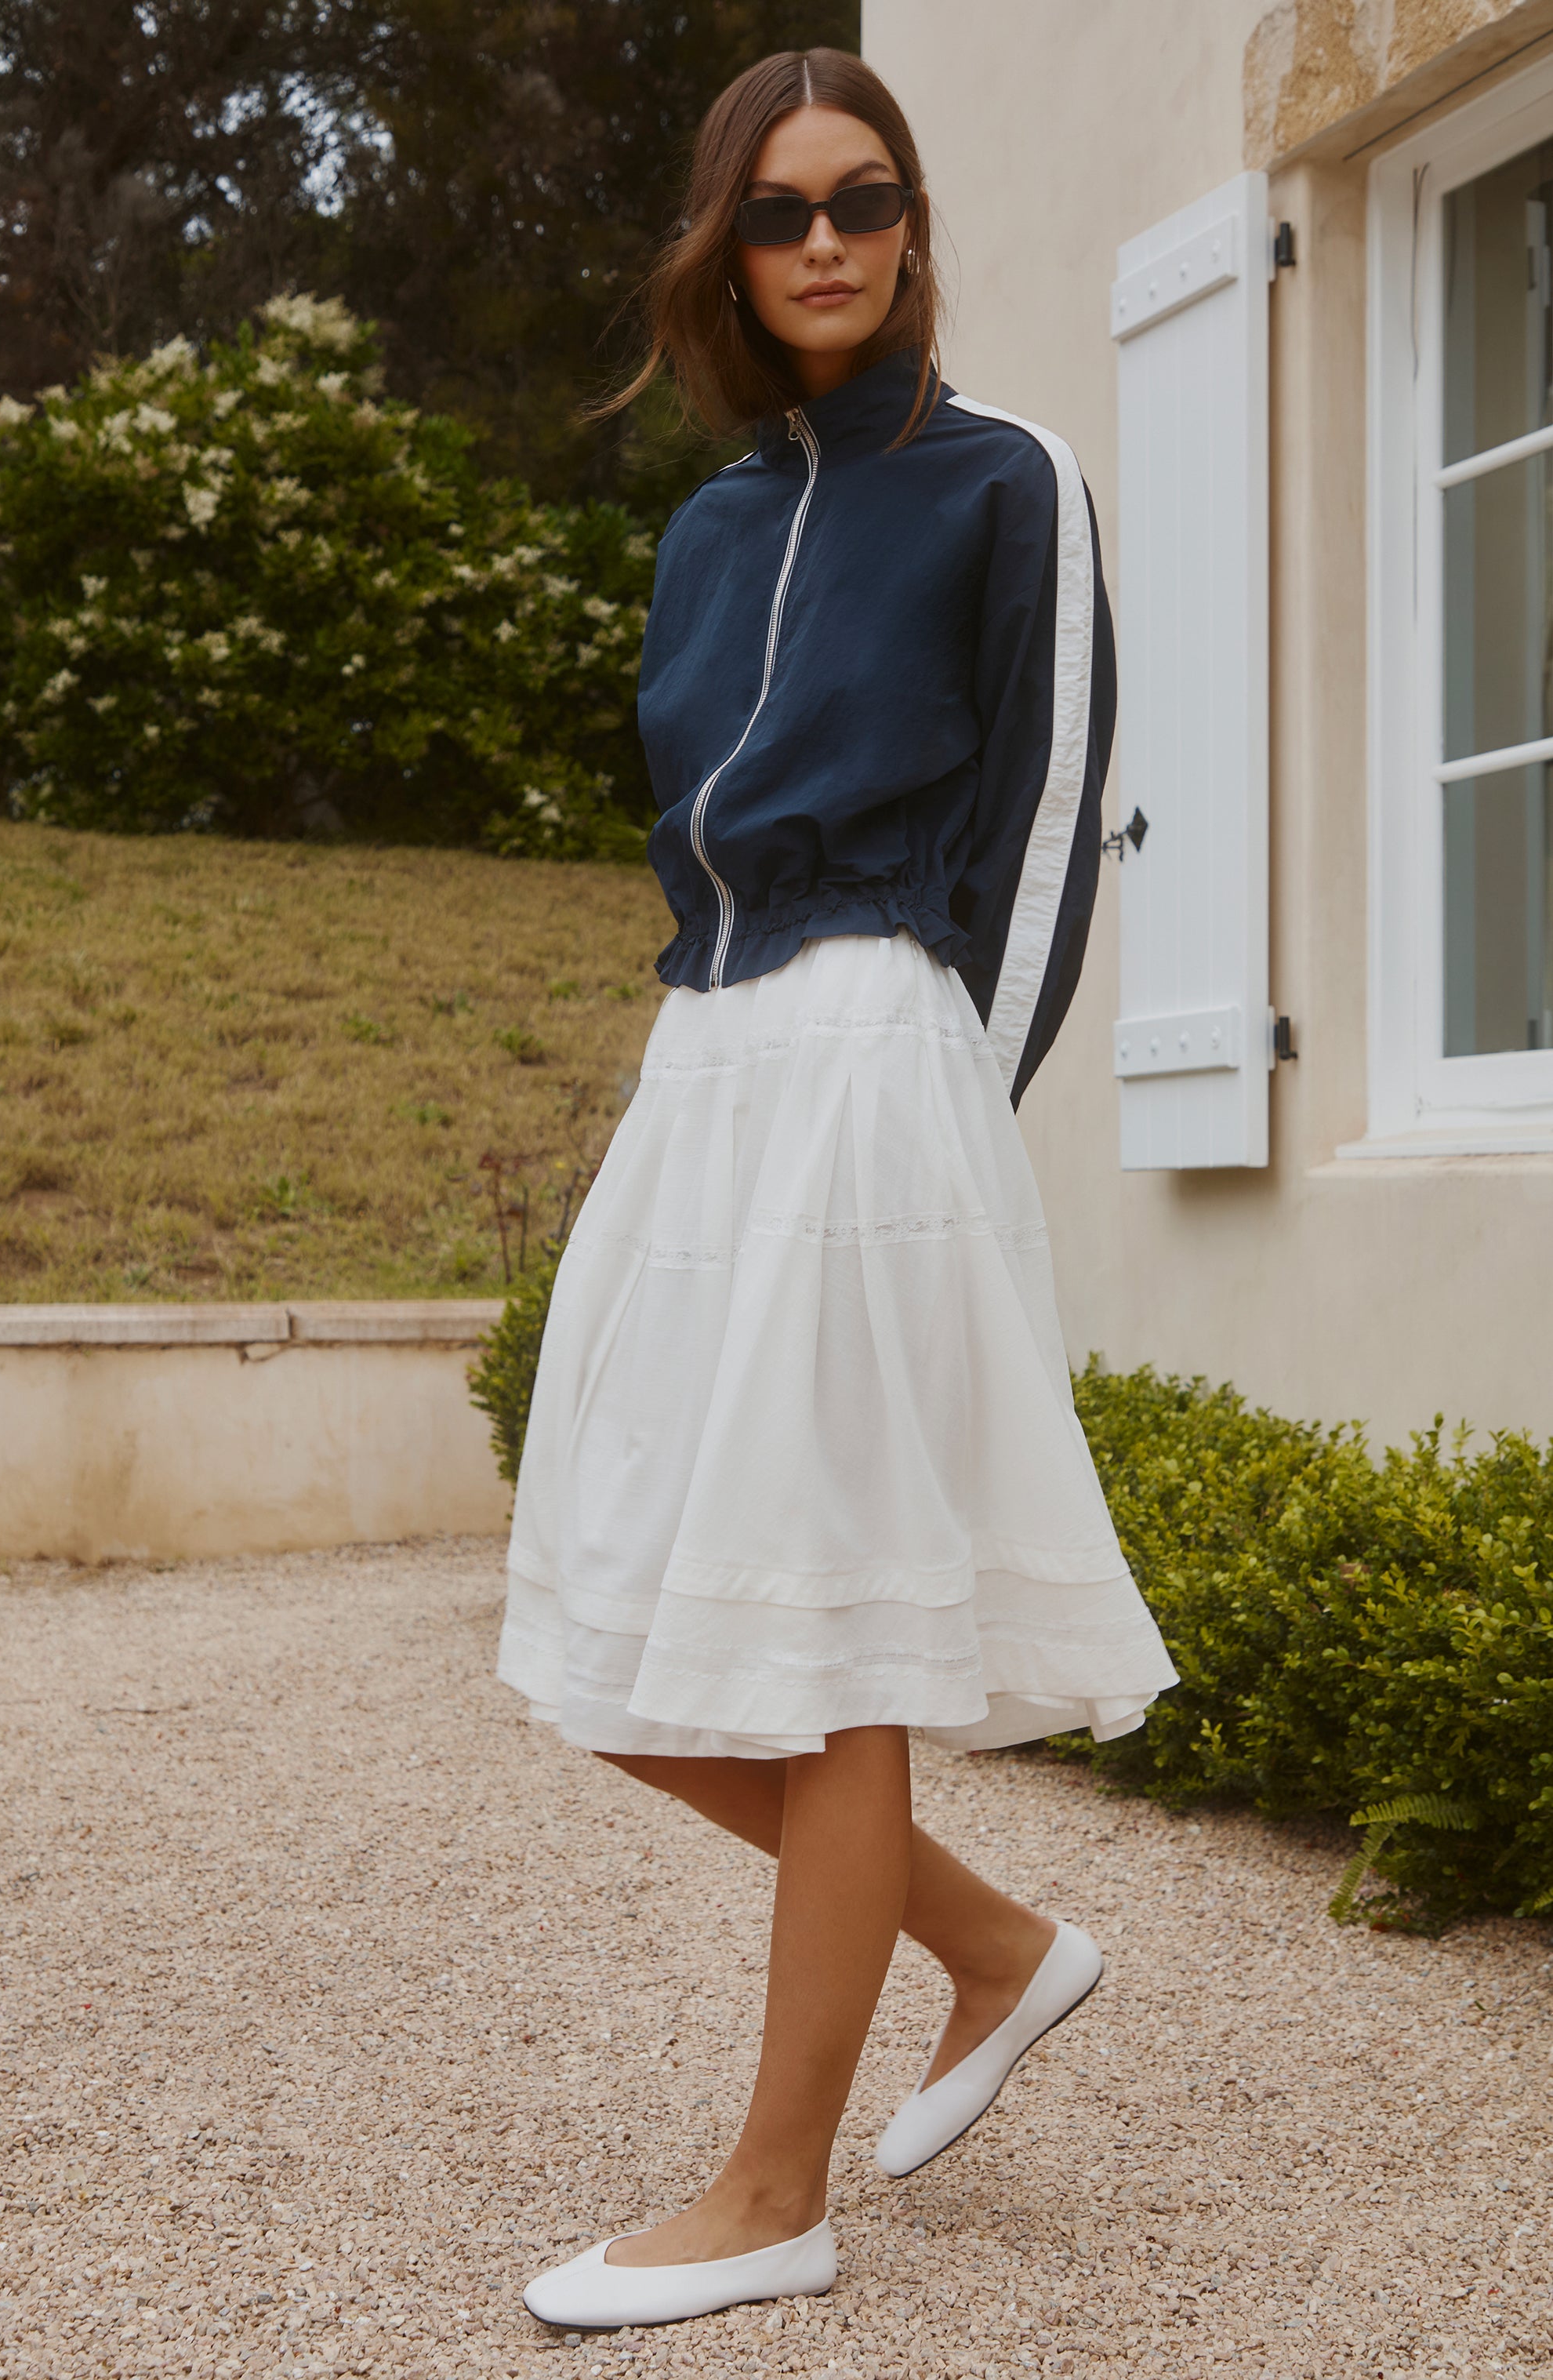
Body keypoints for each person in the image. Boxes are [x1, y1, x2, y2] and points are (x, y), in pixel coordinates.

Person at [501, 45, 1177, 2332]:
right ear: (725, 239)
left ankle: (772, 2181)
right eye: (780, 208)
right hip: (709, 1063)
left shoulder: (1006, 480)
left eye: (862, 199)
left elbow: (1057, 819)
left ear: (910, 220)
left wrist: (950, 1131)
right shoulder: (705, 527)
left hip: (886, 1057)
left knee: (836, 1629)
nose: (824, 242)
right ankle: (994, 1945)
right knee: (622, 1632)